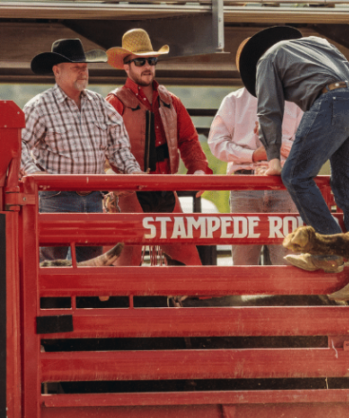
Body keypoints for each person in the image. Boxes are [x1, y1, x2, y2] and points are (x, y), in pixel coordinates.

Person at [236, 26, 349, 301]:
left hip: (333, 101)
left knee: (295, 175)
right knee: (347, 184)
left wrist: (273, 159)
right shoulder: (319, 42)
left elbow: (269, 109)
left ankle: (327, 250)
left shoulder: (267, 59)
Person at [21, 38, 143, 263]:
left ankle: (85, 299)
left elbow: (118, 147)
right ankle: (54, 300)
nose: (83, 72)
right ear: (57, 71)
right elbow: (18, 143)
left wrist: (133, 171)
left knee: (91, 263)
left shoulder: (99, 103)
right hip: (55, 198)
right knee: (51, 261)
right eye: (76, 68)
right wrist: (32, 173)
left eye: (84, 68)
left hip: (93, 198)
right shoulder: (40, 106)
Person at [104, 28, 210, 266]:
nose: (147, 66)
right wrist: (111, 181)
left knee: (188, 259)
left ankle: (191, 300)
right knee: (126, 259)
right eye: (139, 61)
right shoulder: (114, 101)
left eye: (151, 60)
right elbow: (101, 146)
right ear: (126, 66)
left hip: (166, 189)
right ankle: (125, 301)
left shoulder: (172, 101)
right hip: (129, 190)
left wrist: (199, 171)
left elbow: (189, 141)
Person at [209, 87, 303, 266]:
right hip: (247, 183)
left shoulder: (297, 102)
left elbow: (308, 147)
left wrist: (274, 139)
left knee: (288, 265)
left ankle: (284, 295)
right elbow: (216, 143)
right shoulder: (233, 100)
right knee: (244, 264)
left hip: (282, 184)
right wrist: (253, 155)